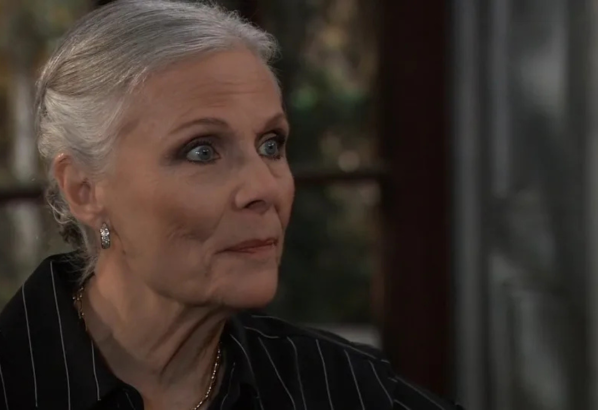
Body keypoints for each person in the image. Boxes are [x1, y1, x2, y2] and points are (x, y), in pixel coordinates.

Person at [0, 1, 463, 409]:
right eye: (202, 151)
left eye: (270, 145)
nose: (263, 188)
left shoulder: (345, 389)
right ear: (84, 189)